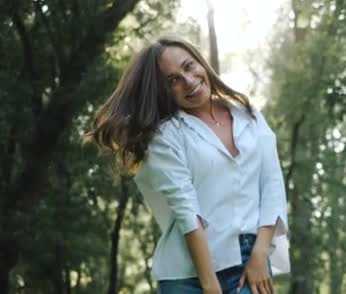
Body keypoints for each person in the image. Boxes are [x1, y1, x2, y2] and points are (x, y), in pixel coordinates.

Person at [87, 37, 290, 294]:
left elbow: (272, 182)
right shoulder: (166, 136)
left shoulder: (248, 115)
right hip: (189, 276)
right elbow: (187, 213)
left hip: (250, 262)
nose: (189, 81)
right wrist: (210, 285)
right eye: (173, 80)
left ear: (200, 61)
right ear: (163, 91)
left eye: (189, 66)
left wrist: (261, 253)